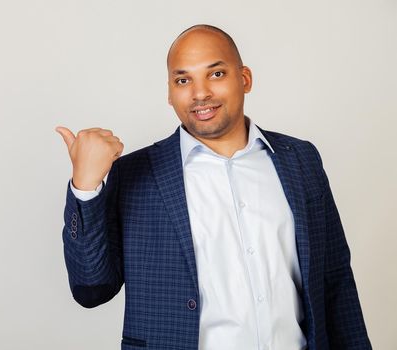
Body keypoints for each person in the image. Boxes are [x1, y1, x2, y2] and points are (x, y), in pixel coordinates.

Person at [55, 24, 371, 350]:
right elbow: (92, 289)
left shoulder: (300, 160)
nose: (200, 92)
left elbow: (334, 281)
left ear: (244, 78)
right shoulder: (136, 174)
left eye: (216, 74)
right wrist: (86, 185)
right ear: (169, 92)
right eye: (183, 80)